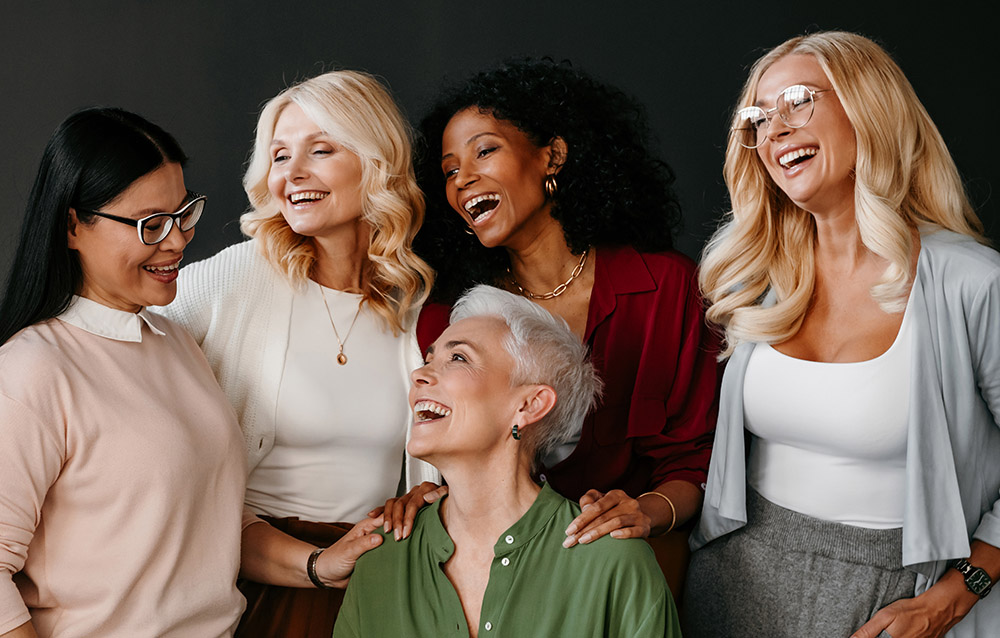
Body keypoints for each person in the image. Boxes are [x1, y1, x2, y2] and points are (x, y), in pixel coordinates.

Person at [0, 107, 386, 638]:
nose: (178, 240)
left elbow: (212, 528)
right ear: (72, 225)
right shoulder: (33, 368)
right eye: (150, 224)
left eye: (184, 214)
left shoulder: (177, 344)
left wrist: (318, 567)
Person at [686, 31, 1000, 638]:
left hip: (896, 593)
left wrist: (957, 595)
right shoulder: (756, 278)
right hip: (735, 578)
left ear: (869, 108)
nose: (773, 131)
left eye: (798, 100)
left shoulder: (972, 283)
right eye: (758, 118)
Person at [382, 60, 718, 577]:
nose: (463, 179)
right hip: (499, 573)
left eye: (485, 150)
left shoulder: (666, 288)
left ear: (552, 156)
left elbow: (694, 460)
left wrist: (642, 514)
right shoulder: (450, 321)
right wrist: (430, 497)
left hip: (633, 564)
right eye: (449, 171)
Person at [157, 70, 439, 636]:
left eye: (321, 150)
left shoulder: (415, 303)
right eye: (280, 156)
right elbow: (118, 373)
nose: (292, 174)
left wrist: (435, 491)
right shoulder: (233, 280)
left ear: (376, 161)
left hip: (382, 576)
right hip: (254, 576)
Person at [334, 285, 680, 637]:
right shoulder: (381, 556)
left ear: (529, 405)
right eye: (427, 359)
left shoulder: (613, 562)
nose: (419, 375)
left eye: (458, 358)